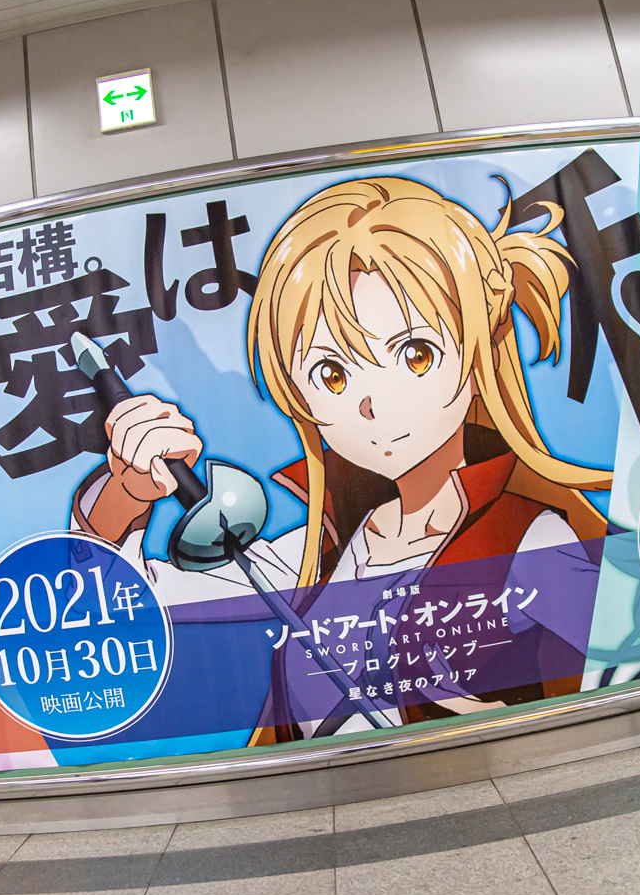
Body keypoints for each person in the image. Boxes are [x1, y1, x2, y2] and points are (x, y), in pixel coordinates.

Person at [74, 176, 611, 741]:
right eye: (331, 374)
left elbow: (615, 668)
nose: (371, 402)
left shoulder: (528, 539)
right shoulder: (322, 550)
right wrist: (126, 494)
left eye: (416, 355)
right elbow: (128, 605)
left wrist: (510, 722)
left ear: (476, 358)